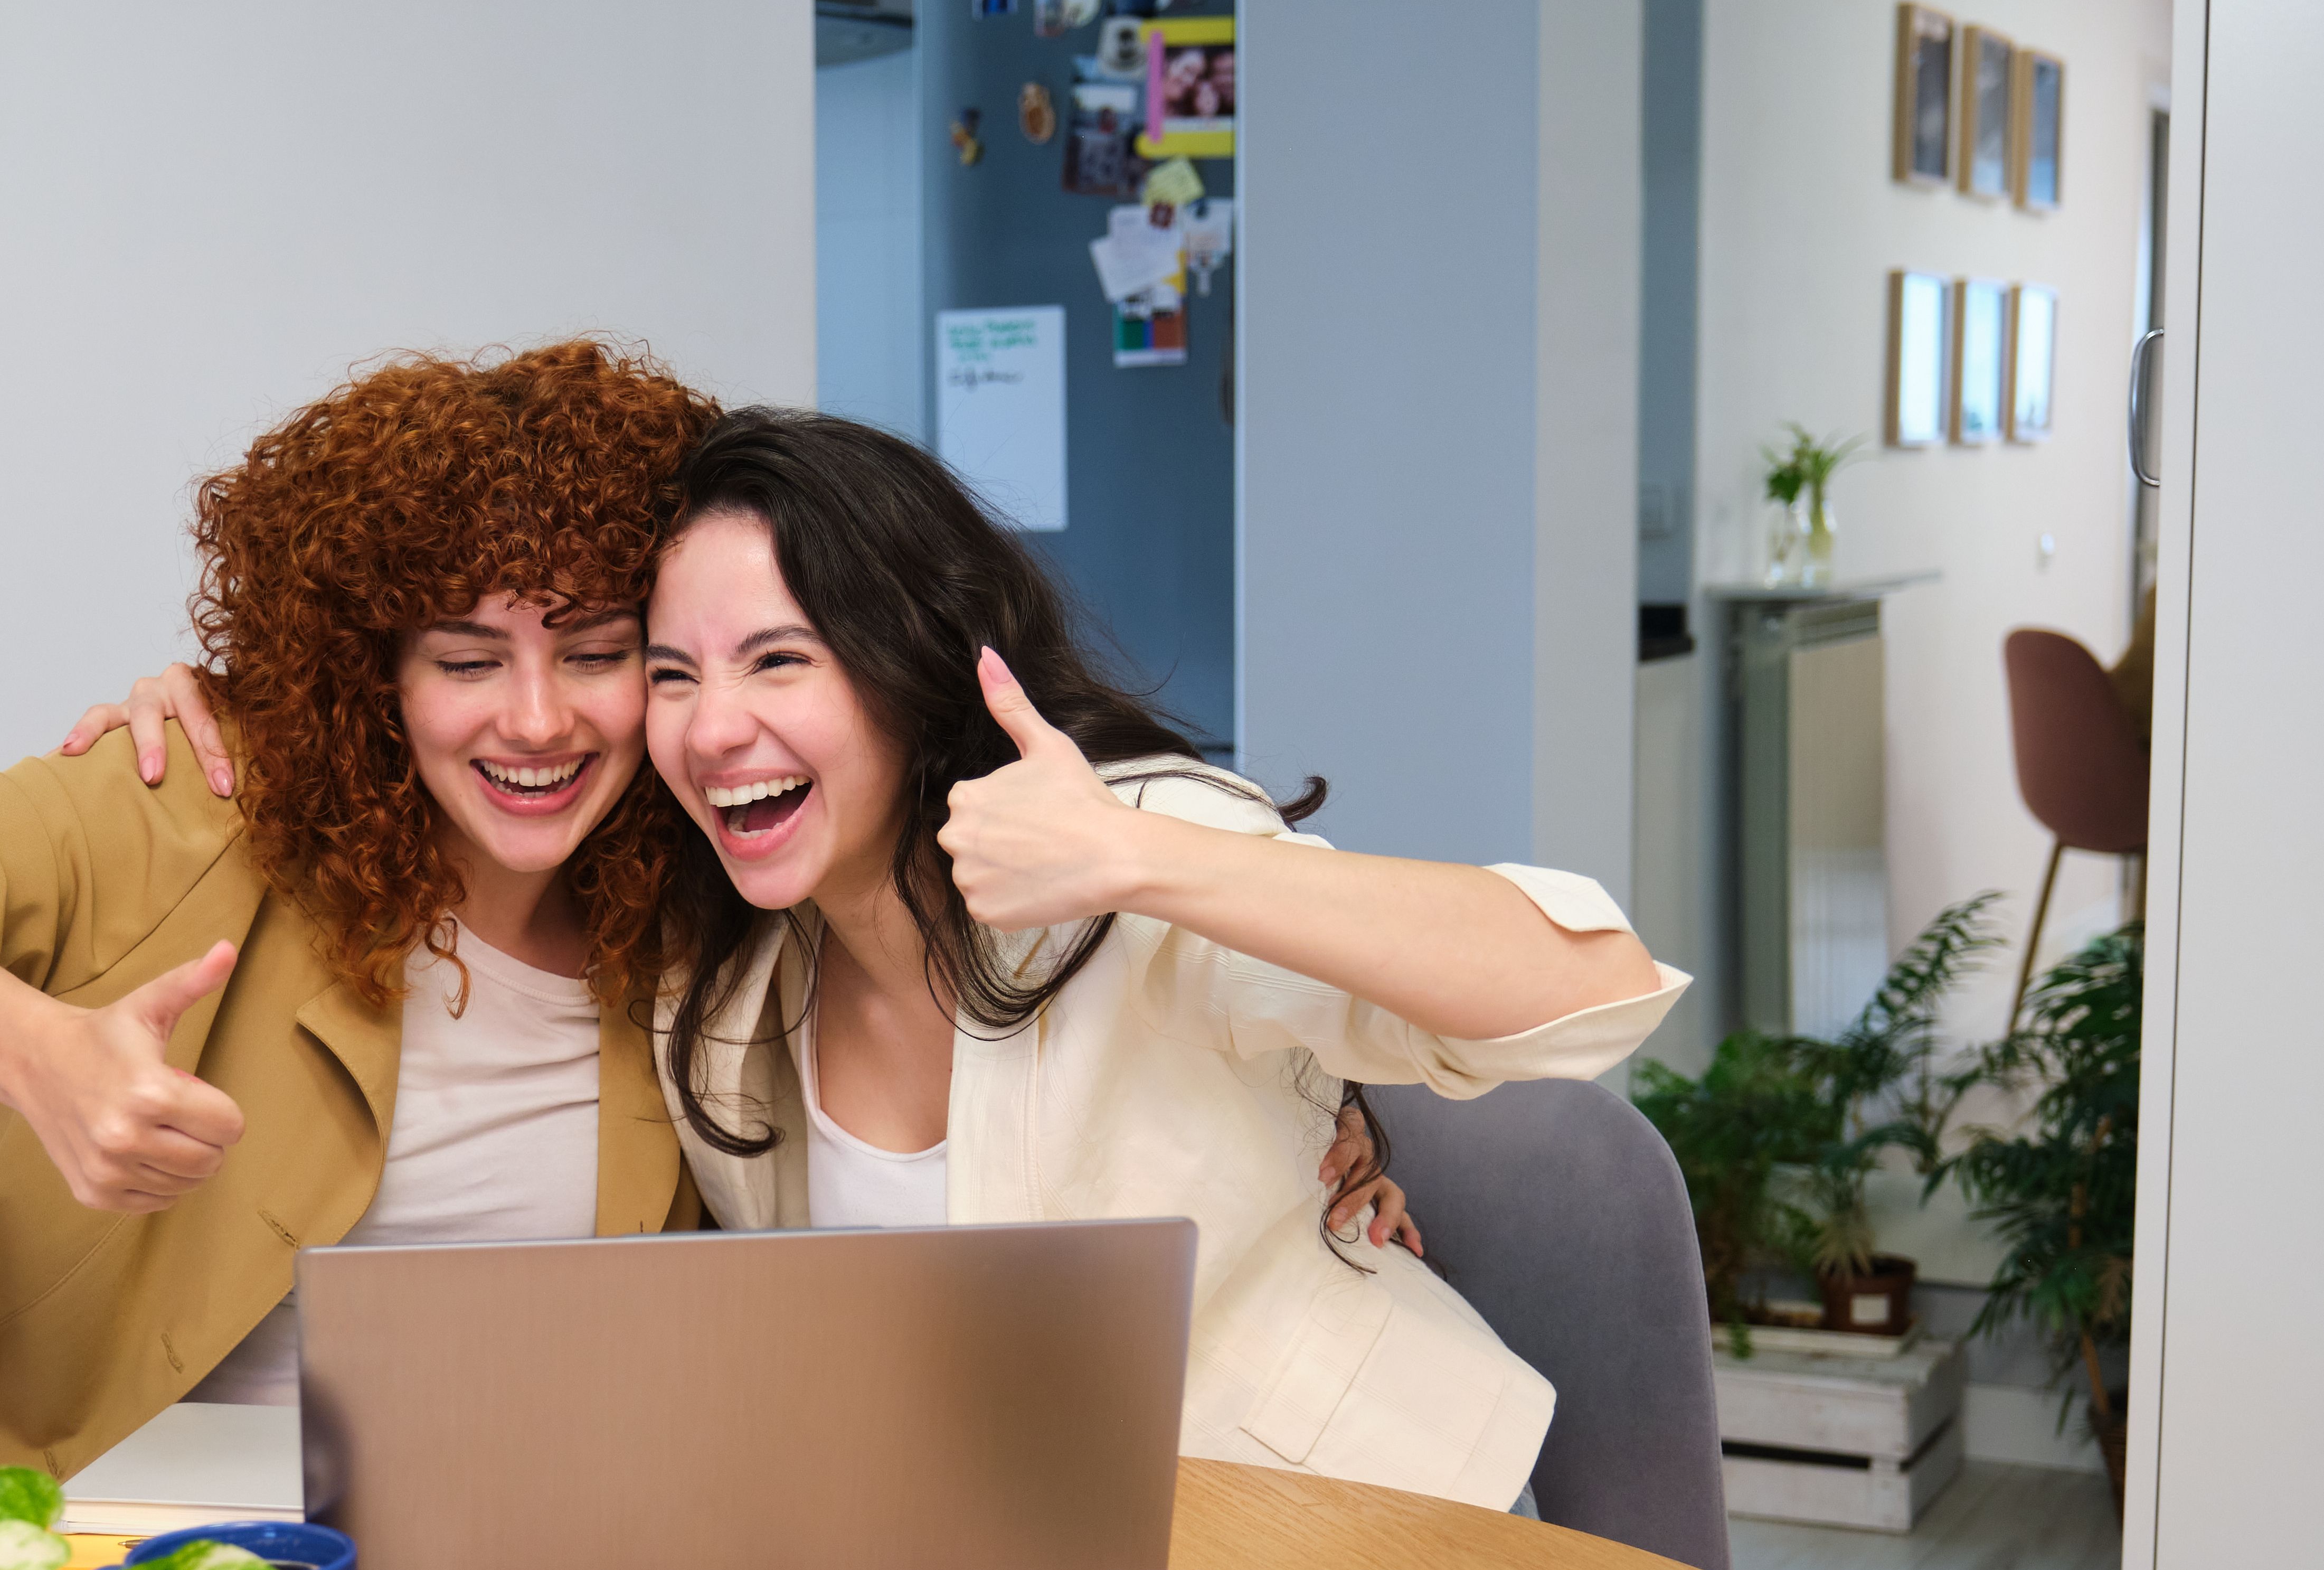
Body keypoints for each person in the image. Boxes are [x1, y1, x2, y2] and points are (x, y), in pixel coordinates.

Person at [0, 342, 716, 1522]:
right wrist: (40, 1057)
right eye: (467, 660)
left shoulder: (700, 914)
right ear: (373, 669)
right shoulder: (202, 799)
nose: (539, 719)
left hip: (484, 1564)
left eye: (596, 653)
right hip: (35, 1567)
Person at [630, 410, 1687, 1508]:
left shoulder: (1127, 848)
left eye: (779, 660)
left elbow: (1597, 986)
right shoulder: (717, 994)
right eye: (672, 675)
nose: (712, 731)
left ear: (907, 657)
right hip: (1034, 1567)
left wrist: (1139, 856)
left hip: (1366, 1517)